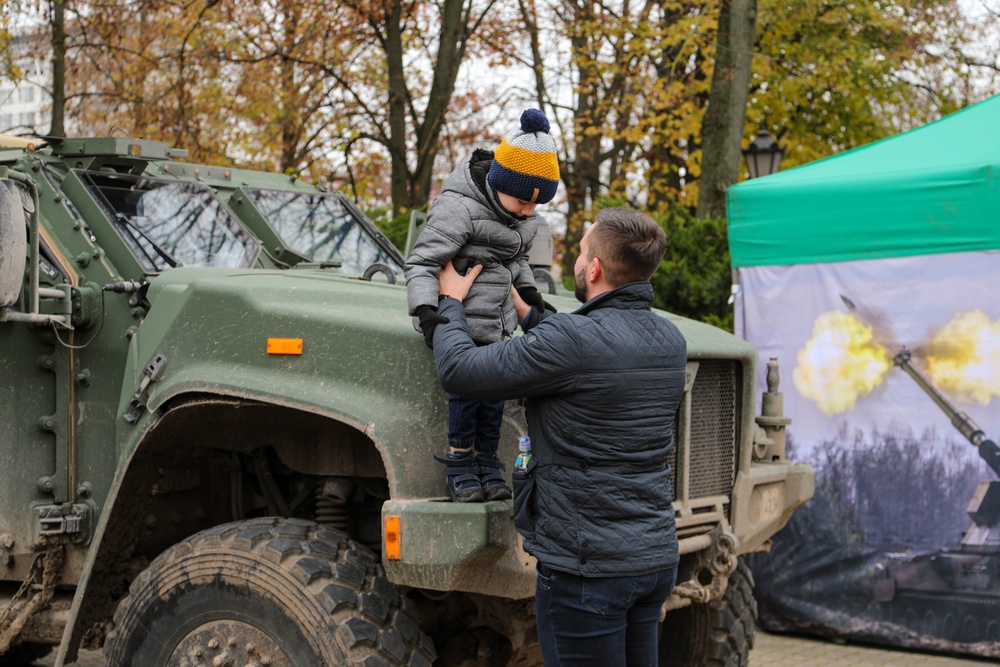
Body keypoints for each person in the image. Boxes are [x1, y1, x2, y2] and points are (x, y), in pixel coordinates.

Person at [432, 208, 686, 666]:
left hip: (589, 568)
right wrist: (534, 319)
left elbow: (460, 371)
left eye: (582, 251)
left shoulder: (573, 340)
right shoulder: (670, 339)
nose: (575, 262)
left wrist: (449, 304)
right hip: (653, 559)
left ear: (594, 268)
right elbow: (595, 359)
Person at [405, 108, 559, 503]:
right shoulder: (459, 208)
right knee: (465, 399)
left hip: (499, 325)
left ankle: (487, 463)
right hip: (460, 325)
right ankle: (459, 464)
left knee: (494, 401)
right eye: (523, 200)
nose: (528, 211)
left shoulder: (521, 220)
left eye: (536, 206)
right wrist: (427, 313)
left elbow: (518, 260)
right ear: (498, 181)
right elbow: (422, 262)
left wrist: (530, 294)